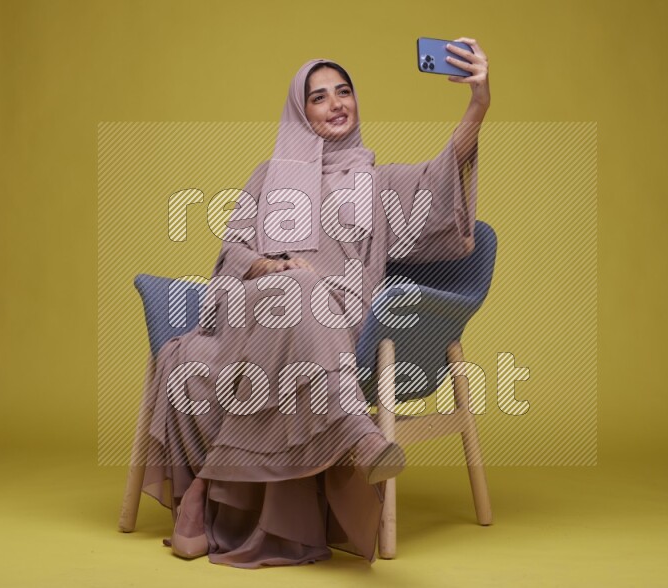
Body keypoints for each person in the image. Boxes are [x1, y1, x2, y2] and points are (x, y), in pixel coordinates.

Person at [138, 38, 490, 568]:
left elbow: (442, 178)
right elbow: (232, 250)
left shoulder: (377, 183)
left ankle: (199, 495)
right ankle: (354, 432)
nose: (336, 104)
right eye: (319, 97)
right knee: (294, 288)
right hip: (254, 310)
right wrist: (276, 268)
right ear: (299, 112)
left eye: (344, 92)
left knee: (306, 296)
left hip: (338, 327)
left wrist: (478, 104)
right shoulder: (267, 176)